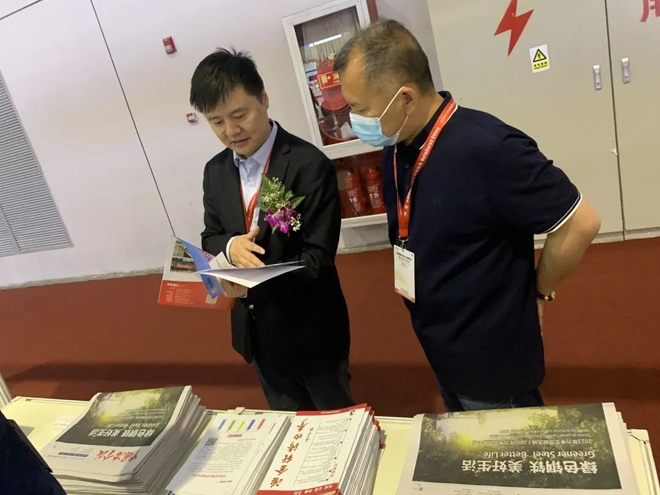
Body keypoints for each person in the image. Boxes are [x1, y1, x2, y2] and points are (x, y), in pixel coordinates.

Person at [334, 20, 601, 412]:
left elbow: (580, 222)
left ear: (406, 98)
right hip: (443, 344)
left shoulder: (488, 148)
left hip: (492, 354)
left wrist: (540, 294)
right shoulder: (397, 144)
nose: (353, 122)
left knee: (507, 443)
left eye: (360, 109)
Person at [190, 49, 354, 411]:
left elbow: (317, 259)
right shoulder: (215, 171)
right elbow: (210, 236)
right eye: (216, 122)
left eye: (239, 115)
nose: (231, 131)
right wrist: (231, 248)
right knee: (286, 419)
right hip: (256, 329)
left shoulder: (309, 164)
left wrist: (254, 279)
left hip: (311, 325)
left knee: (334, 416)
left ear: (263, 99)